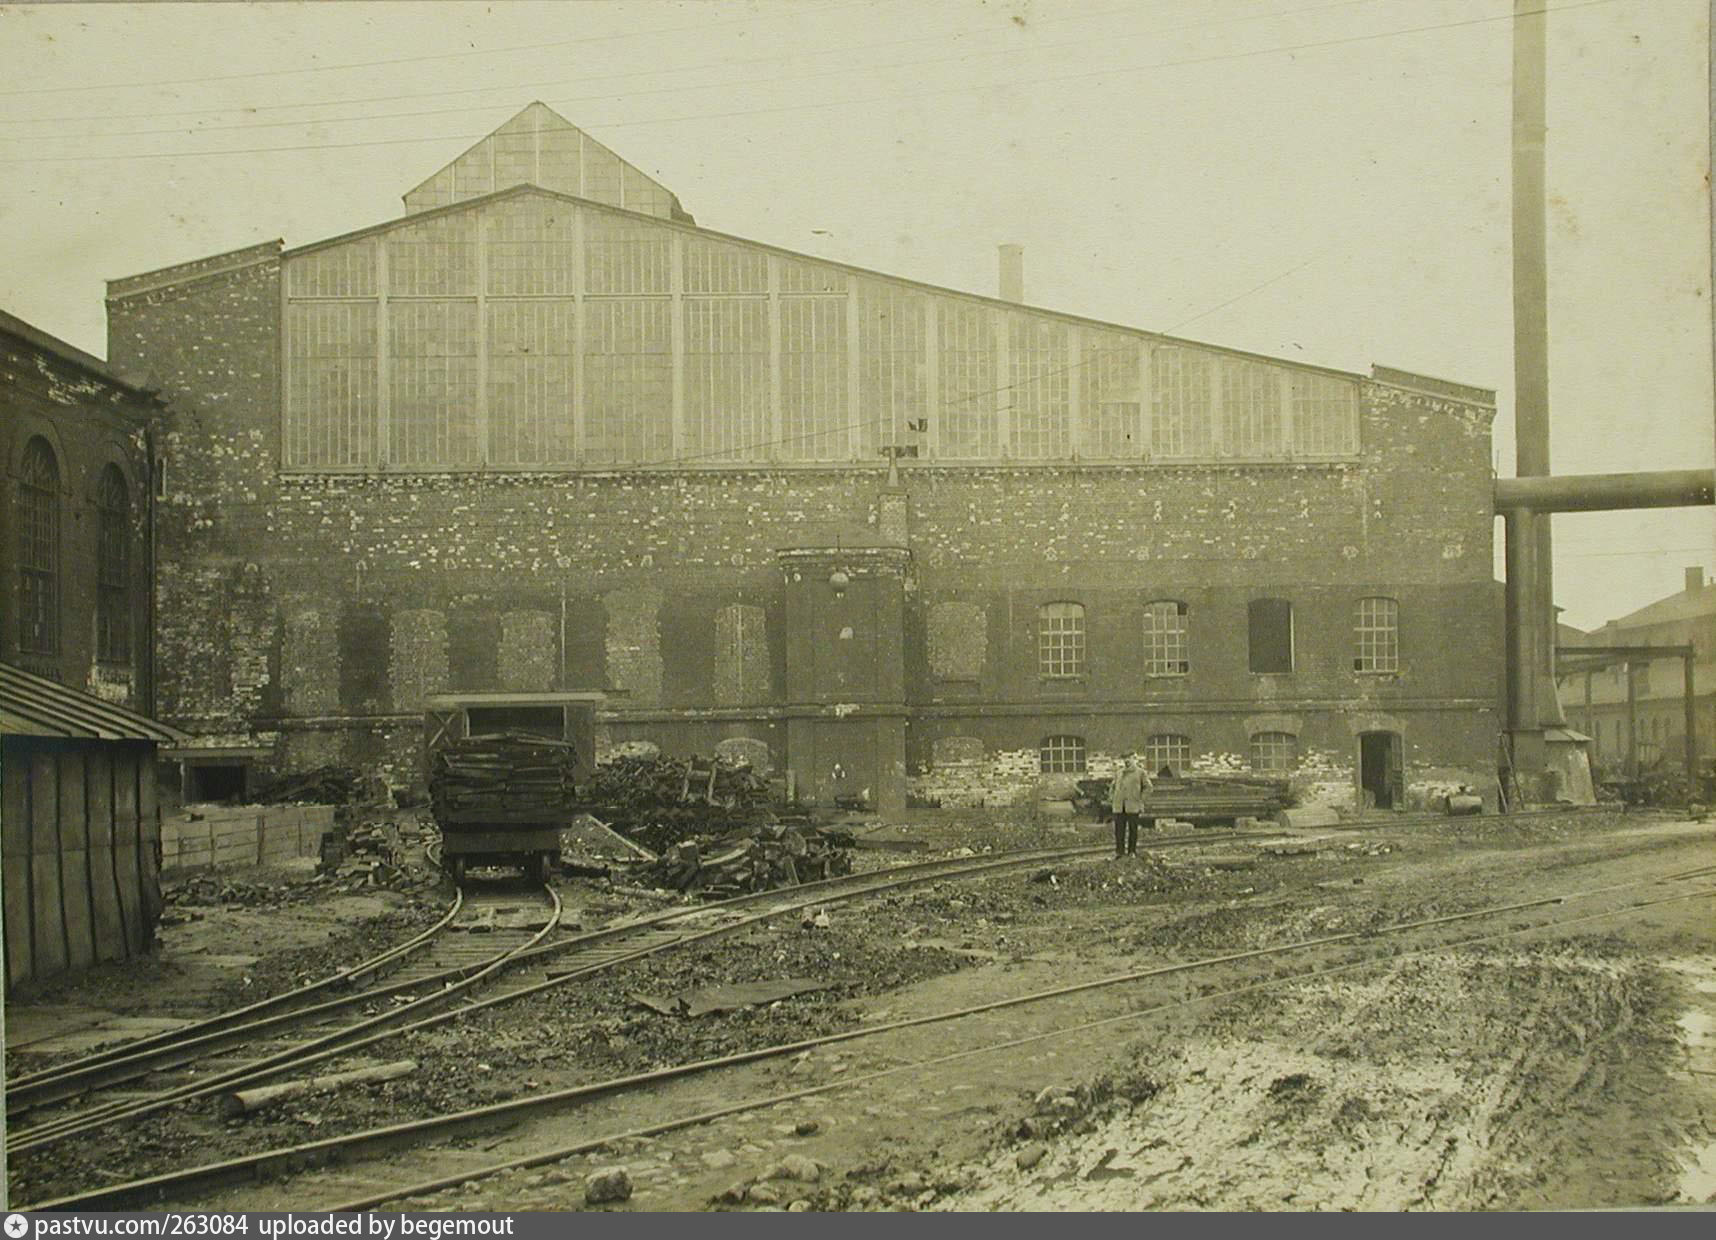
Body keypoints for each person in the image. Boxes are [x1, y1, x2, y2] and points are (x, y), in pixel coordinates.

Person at [1110, 756, 1153, 858]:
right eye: (1124, 758)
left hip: (1133, 806)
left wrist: (1140, 800)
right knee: (1119, 831)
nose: (1127, 760)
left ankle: (1131, 851)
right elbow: (1112, 787)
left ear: (1134, 759)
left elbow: (1149, 787)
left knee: (1133, 830)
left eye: (1129, 758)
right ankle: (1119, 852)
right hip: (1119, 806)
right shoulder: (1119, 773)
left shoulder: (1140, 772)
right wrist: (1113, 798)